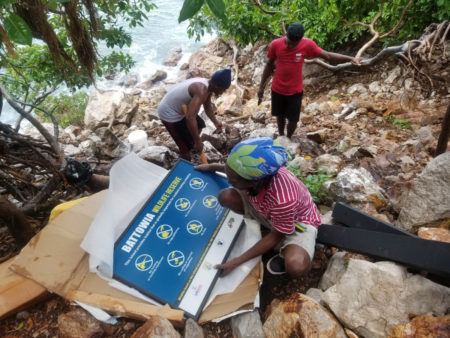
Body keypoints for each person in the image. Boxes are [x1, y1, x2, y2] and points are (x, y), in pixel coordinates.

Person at [195, 137, 321, 276]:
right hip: (269, 210)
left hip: (298, 222)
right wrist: (212, 167)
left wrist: (236, 261)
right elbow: (235, 170)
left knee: (296, 266)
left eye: (234, 180)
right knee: (226, 197)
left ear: (255, 182)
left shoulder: (283, 200)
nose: (229, 181)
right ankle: (266, 227)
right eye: (227, 171)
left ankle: (286, 248)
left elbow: (276, 236)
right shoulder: (259, 174)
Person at [257, 22, 363, 139]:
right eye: (288, 41)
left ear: (300, 40)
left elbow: (327, 56)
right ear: (285, 34)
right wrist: (261, 87)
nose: (290, 45)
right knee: (280, 115)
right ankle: (282, 136)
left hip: (295, 91)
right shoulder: (276, 44)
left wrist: (351, 58)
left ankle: (288, 137)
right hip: (277, 88)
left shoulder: (307, 45)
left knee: (293, 120)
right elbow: (268, 65)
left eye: (293, 43)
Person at [157, 69, 232, 161]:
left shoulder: (209, 86)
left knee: (200, 124)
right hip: (169, 113)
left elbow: (207, 107)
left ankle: (192, 145)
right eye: (223, 89)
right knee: (184, 148)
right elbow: (190, 117)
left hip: (181, 109)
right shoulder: (201, 90)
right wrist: (198, 141)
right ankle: (186, 158)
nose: (223, 92)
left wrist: (216, 122)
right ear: (217, 85)